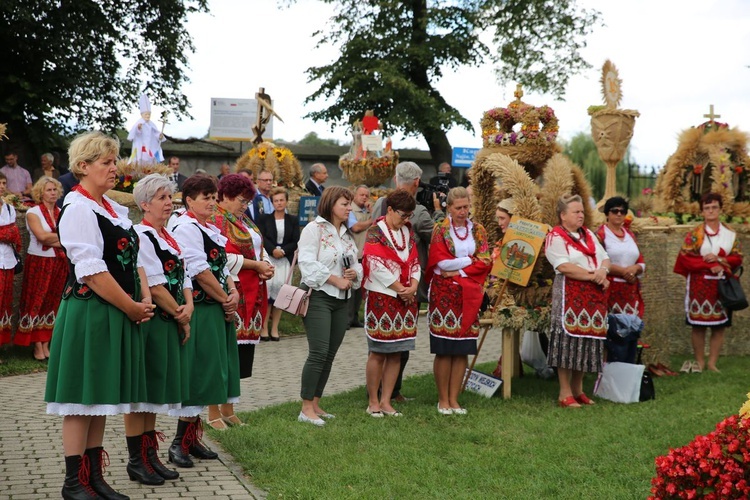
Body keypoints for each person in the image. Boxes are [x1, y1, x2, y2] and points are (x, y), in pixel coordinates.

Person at [44, 131, 155, 499]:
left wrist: (139, 302)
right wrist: (130, 305)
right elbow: (90, 272)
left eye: (114, 160)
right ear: (83, 166)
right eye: (107, 162)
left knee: (100, 398)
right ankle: (73, 482)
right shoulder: (77, 208)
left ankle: (93, 478)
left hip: (113, 312)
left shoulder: (111, 209)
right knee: (81, 399)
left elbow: (130, 262)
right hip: (91, 311)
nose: (115, 167)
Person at [168, 174, 240, 465]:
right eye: (205, 197)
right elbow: (199, 271)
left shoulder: (206, 227)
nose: (212, 202)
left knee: (210, 372)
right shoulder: (185, 227)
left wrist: (232, 291)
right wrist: (225, 300)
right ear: (189, 201)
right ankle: (178, 444)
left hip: (215, 306)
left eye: (213, 197)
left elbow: (221, 267)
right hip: (201, 307)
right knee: (198, 373)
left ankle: (192, 439)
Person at [131, 173, 193, 484]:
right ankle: (137, 459)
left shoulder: (168, 236)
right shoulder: (142, 235)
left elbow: (183, 277)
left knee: (155, 390)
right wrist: (180, 314)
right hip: (154, 320)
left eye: (170, 197)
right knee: (144, 390)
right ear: (144, 204)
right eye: (161, 198)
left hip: (171, 317)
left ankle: (150, 454)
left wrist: (188, 307)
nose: (169, 202)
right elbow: (154, 285)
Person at [371, 161, 444, 402]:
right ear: (416, 182)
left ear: (395, 178)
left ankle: (383, 392)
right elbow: (437, 235)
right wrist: (439, 212)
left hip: (391, 286)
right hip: (400, 289)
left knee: (384, 345)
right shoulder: (420, 212)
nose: (405, 219)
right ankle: (388, 393)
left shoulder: (378, 204)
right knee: (396, 346)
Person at [207, 174, 274, 429]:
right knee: (222, 355)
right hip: (231, 290)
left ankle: (229, 408)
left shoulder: (244, 219)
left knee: (238, 358)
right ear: (224, 196)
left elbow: (258, 246)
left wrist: (265, 263)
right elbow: (220, 256)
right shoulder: (217, 219)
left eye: (247, 201)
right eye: (240, 200)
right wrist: (256, 264)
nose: (244, 206)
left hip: (252, 292)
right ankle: (213, 412)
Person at [297, 186, 362, 426]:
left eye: (349, 204)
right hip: (318, 297)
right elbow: (306, 264)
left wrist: (354, 273)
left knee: (330, 354)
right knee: (319, 352)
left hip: (340, 301)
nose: (349, 208)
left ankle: (315, 403)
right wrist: (336, 279)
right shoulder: (314, 229)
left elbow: (356, 263)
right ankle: (305, 409)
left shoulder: (346, 233)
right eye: (345, 204)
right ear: (331, 203)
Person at [426, 187, 492, 415]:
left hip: (470, 294)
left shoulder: (479, 230)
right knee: (445, 348)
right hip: (444, 296)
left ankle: (454, 399)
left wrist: (459, 271)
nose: (463, 211)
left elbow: (485, 260)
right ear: (449, 207)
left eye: (466, 207)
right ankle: (442, 399)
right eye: (458, 208)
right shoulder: (440, 230)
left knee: (462, 348)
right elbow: (440, 263)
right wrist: (468, 261)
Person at [544, 194, 610, 408]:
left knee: (586, 340)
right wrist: (594, 275)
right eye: (576, 212)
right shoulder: (555, 237)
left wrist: (603, 270)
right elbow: (563, 266)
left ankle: (578, 389)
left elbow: (605, 257)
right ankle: (564, 392)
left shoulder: (588, 234)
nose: (581, 215)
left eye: (582, 211)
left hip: (592, 297)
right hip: (569, 295)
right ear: (563, 215)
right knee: (567, 342)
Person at [362, 189, 420, 417]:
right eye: (403, 215)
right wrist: (400, 289)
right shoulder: (375, 231)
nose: (406, 220)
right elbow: (375, 266)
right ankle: (373, 401)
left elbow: (415, 261)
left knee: (396, 352)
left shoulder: (407, 231)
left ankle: (387, 400)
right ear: (389, 210)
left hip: (405, 298)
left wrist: (413, 286)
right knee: (378, 351)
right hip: (382, 297)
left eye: (409, 216)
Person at [673, 192, 742, 373]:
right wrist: (707, 264)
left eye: (714, 207)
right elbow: (685, 259)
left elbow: (737, 258)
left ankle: (712, 363)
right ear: (702, 211)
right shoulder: (695, 235)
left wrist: (720, 260)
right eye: (707, 208)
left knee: (719, 326)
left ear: (720, 209)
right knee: (698, 325)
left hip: (721, 285)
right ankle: (700, 362)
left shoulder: (730, 234)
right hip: (699, 284)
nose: (711, 211)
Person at [15, 176, 66, 361]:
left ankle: (46, 342)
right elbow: (42, 237)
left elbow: (69, 236)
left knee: (52, 302)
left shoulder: (62, 212)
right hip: (39, 261)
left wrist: (56, 238)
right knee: (36, 300)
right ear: (40, 192)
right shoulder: (33, 212)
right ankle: (36, 344)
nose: (52, 193)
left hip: (59, 262)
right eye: (48, 190)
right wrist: (62, 239)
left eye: (54, 190)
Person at [258, 186, 299, 341]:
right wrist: (273, 250)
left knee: (281, 294)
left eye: (282, 200)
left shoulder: (293, 220)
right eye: (276, 200)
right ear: (272, 202)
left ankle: (275, 328)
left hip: (284, 260)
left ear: (286, 201)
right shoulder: (265, 219)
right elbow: (262, 237)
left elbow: (295, 240)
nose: (279, 203)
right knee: (267, 292)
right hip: (269, 259)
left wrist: (282, 251)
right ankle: (264, 328)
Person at [595, 196, 645, 317]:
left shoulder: (630, 235)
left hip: (630, 290)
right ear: (607, 214)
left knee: (631, 330)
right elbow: (597, 262)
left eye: (622, 211)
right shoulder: (600, 235)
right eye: (614, 211)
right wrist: (624, 272)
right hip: (610, 290)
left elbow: (640, 260)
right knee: (612, 330)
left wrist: (635, 269)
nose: (619, 214)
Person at [0, 172, 21, 349]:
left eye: (3, 183)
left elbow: (14, 234)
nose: (1, 186)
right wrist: (7, 233)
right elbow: (9, 232)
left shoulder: (9, 208)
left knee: (4, 303)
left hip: (7, 260)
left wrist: (8, 233)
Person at [347, 185, 373, 328]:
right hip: (354, 253)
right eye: (361, 195)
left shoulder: (368, 211)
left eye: (366, 195)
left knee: (359, 289)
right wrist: (371, 220)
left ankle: (355, 317)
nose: (364, 198)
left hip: (365, 253)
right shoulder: (350, 209)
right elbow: (355, 227)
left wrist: (371, 212)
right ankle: (347, 318)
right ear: (355, 195)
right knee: (351, 287)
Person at [128, 93, 165, 164]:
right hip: (141, 146)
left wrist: (159, 136)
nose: (148, 116)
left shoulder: (152, 124)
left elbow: (155, 133)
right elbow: (135, 134)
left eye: (149, 114)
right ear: (141, 115)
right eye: (146, 114)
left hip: (150, 146)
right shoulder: (138, 123)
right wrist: (138, 128)